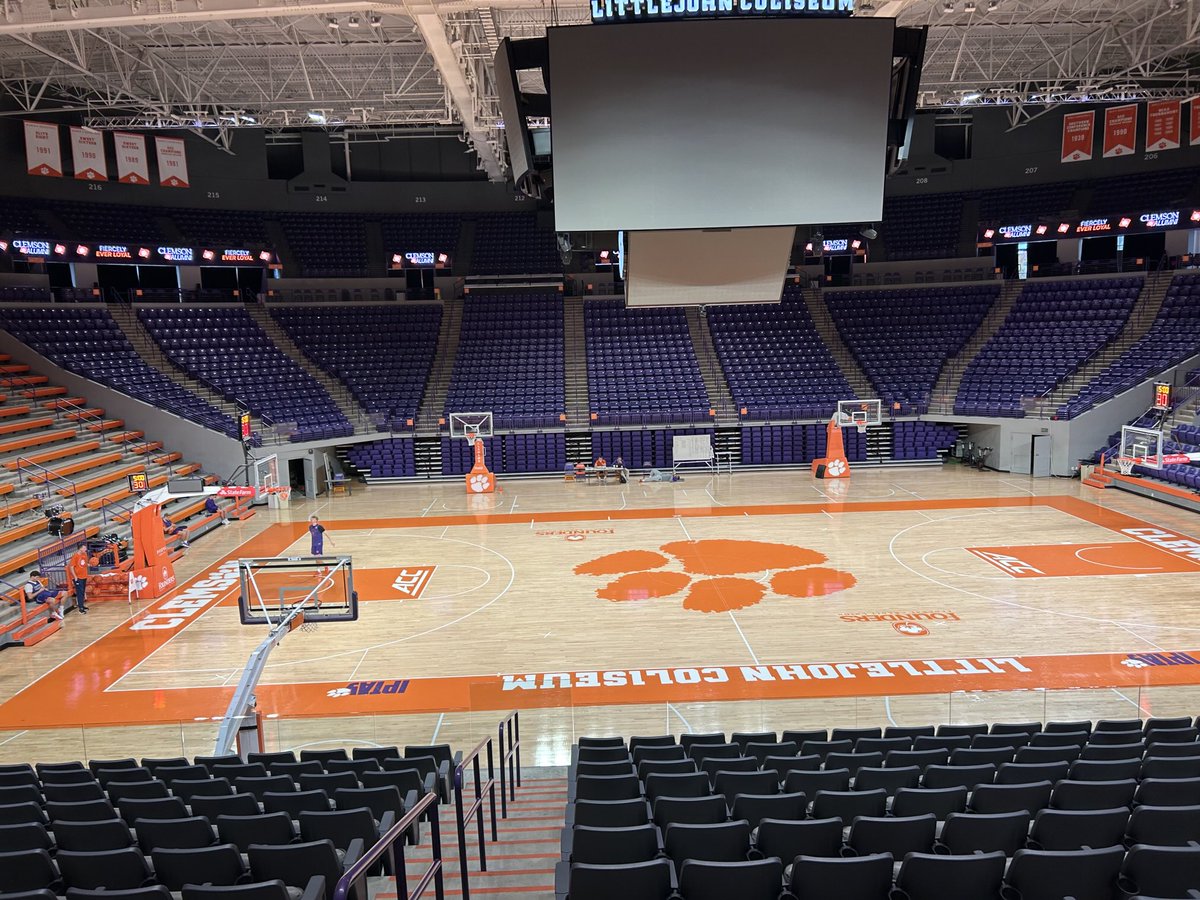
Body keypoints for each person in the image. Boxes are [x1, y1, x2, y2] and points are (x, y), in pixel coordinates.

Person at [67, 546, 89, 615]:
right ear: (80, 548)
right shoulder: (75, 556)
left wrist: (89, 564)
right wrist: (75, 577)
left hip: (84, 576)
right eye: (84, 548)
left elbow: (84, 564)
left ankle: (82, 605)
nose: (85, 549)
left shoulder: (84, 554)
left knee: (82, 592)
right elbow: (71, 567)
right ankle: (80, 609)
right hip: (78, 577)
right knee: (79, 592)